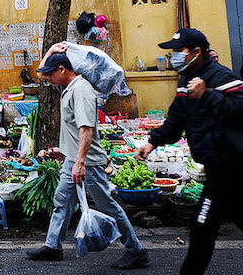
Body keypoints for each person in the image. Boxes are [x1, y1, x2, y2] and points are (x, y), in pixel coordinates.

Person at [26, 42, 149, 270]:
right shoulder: (68, 86)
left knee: (108, 207)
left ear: (63, 70)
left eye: (53, 74)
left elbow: (86, 131)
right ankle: (53, 247)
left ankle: (136, 250)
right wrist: (52, 50)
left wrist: (80, 163)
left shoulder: (81, 90)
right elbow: (42, 73)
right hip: (72, 160)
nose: (48, 79)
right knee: (61, 203)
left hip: (87, 162)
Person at [135, 28, 243, 275]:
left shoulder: (222, 77)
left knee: (201, 227)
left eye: (178, 52)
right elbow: (176, 119)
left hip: (231, 165)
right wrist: (153, 142)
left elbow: (240, 111)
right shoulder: (185, 82)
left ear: (196, 52)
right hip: (217, 167)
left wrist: (206, 95)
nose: (174, 57)